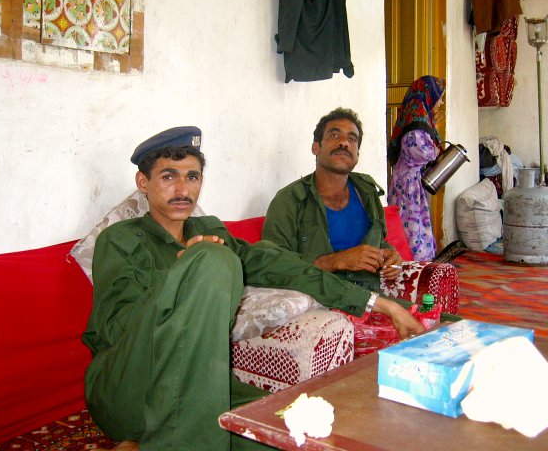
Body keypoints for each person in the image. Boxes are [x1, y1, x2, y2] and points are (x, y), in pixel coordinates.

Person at [83, 126, 424, 451]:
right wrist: (185, 273)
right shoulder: (121, 240)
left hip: (200, 386)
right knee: (213, 260)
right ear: (143, 182)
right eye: (168, 176)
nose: (183, 190)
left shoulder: (210, 230)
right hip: (128, 386)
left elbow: (286, 268)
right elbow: (117, 329)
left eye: (193, 177)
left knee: (298, 429)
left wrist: (381, 304)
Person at [262, 107, 403, 293]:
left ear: (357, 155)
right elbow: (273, 264)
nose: (344, 142)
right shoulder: (289, 200)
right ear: (316, 147)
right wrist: (336, 261)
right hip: (317, 297)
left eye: (352, 139)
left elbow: (379, 241)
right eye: (335, 135)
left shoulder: (367, 192)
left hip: (370, 294)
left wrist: (390, 255)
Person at [387, 75, 445, 261]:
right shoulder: (416, 120)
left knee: (415, 224)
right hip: (408, 184)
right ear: (430, 95)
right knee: (411, 227)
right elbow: (416, 149)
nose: (441, 102)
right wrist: (436, 151)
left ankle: (416, 262)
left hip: (411, 182)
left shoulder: (421, 117)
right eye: (440, 97)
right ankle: (412, 264)